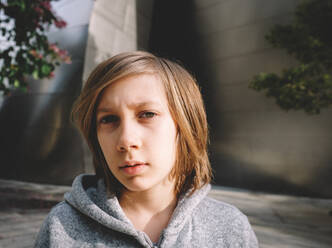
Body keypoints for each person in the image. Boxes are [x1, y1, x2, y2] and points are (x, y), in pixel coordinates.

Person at [34, 51, 258, 247]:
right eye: (109, 119)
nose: (126, 140)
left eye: (147, 114)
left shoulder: (230, 227)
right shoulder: (61, 227)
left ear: (186, 124)